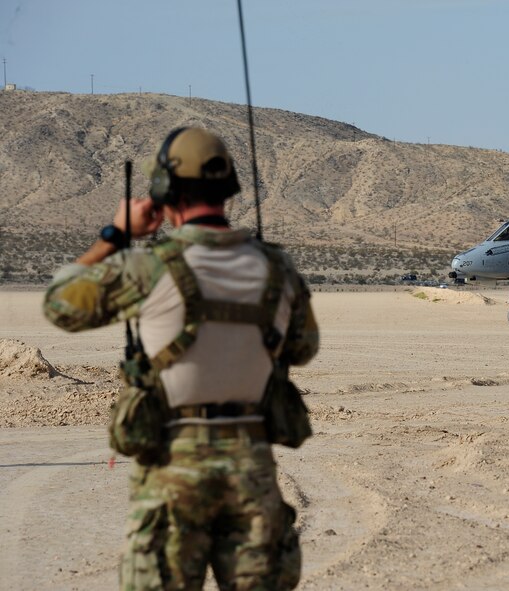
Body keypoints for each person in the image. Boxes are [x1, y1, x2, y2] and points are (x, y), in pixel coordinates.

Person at [44, 127, 319, 590]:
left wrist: (116, 234)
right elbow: (303, 348)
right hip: (250, 463)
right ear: (227, 188)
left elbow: (60, 304)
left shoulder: (146, 268)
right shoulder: (278, 269)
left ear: (163, 190)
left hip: (173, 467)